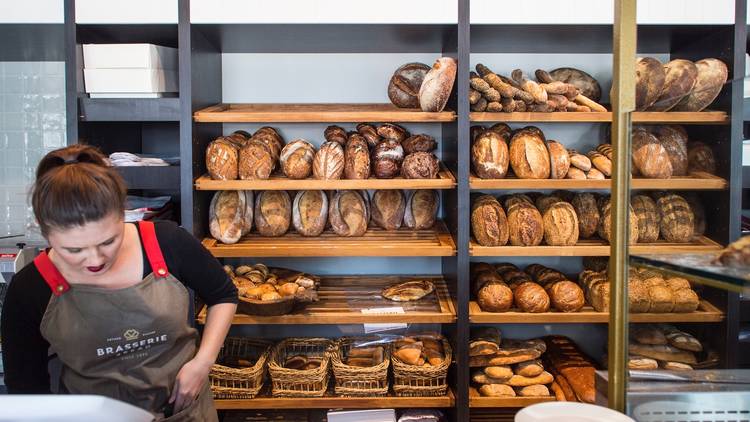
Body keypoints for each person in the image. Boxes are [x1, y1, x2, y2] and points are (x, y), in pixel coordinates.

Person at [1, 145, 238, 421]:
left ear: (123, 212)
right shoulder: (30, 289)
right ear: (45, 233)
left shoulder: (167, 242)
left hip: (184, 413)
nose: (95, 260)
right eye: (73, 250)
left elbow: (223, 293)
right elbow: (29, 392)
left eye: (108, 241)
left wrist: (202, 363)